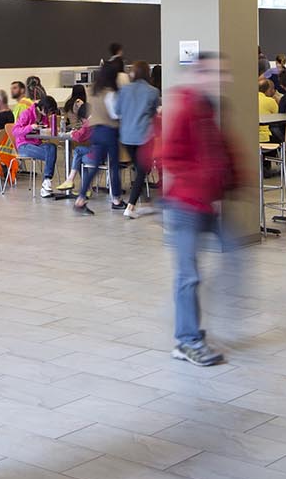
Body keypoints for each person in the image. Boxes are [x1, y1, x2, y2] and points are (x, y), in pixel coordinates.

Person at [155, 52, 239, 366]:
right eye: (217, 73)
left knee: (234, 256)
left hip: (206, 203)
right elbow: (169, 156)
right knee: (188, 275)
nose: (224, 79)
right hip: (185, 204)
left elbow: (220, 150)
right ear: (201, 74)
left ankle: (186, 320)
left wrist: (230, 181)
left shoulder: (209, 108)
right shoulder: (187, 108)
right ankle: (186, 340)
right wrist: (201, 182)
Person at [73, 60, 125, 215]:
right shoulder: (111, 93)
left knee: (95, 167)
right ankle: (116, 199)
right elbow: (115, 113)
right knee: (113, 166)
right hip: (110, 131)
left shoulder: (93, 90)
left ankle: (80, 199)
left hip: (97, 132)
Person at [117, 60, 162, 218]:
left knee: (139, 168)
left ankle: (145, 201)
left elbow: (117, 111)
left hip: (126, 137)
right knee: (142, 170)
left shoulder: (124, 90)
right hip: (143, 136)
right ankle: (131, 206)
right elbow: (153, 113)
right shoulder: (153, 91)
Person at [12, 95, 60, 197]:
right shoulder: (27, 114)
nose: (49, 114)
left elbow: (43, 132)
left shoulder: (44, 117)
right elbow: (15, 131)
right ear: (42, 107)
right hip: (24, 145)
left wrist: (50, 130)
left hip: (37, 144)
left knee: (52, 147)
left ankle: (46, 180)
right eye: (48, 111)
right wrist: (30, 127)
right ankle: (46, 183)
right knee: (50, 154)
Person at [258, 79, 279, 144]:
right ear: (269, 90)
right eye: (273, 89)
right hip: (264, 137)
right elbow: (279, 117)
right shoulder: (270, 101)